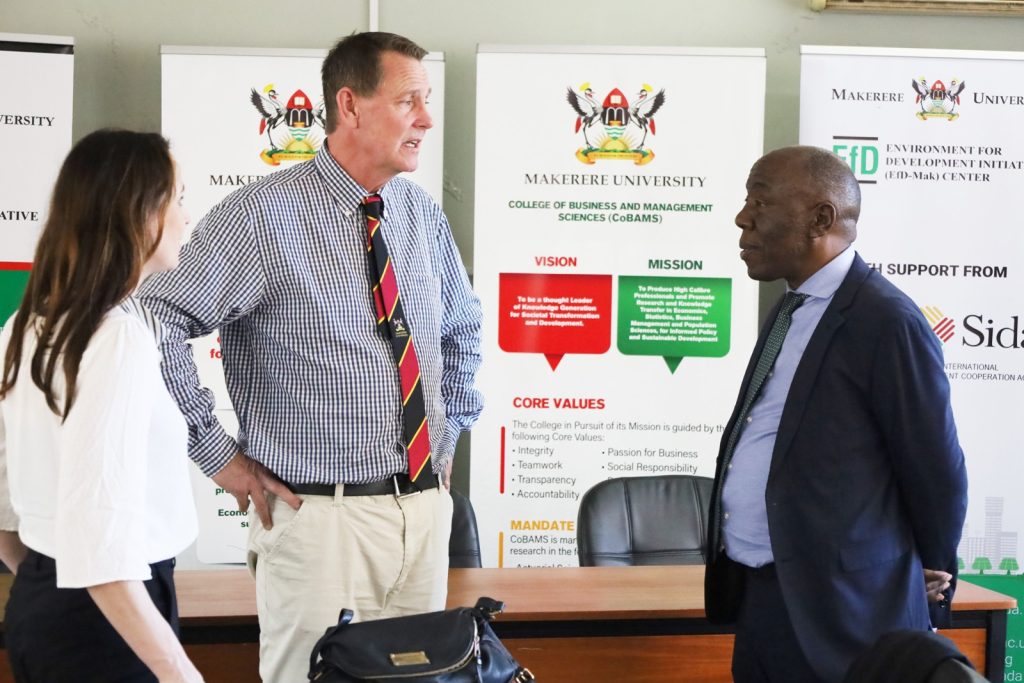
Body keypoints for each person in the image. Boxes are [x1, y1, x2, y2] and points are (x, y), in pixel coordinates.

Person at [137, 31, 483, 682]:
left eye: (427, 101)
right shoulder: (261, 218)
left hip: (422, 514)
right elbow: (155, 315)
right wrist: (219, 455)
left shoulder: (419, 215)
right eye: (409, 100)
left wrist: (449, 430)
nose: (427, 119)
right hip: (320, 522)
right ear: (349, 106)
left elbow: (462, 329)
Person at [704, 145, 968, 683]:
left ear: (820, 218)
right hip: (766, 600)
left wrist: (931, 571)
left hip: (846, 616)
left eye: (760, 200)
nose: (742, 217)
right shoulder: (789, 308)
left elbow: (935, 466)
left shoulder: (887, 321)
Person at [0, 129, 202, 682]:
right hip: (108, 618)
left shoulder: (24, 325)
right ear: (138, 212)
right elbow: (100, 542)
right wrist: (180, 673)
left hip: (44, 601)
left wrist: (53, 580)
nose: (187, 217)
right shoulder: (116, 337)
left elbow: (4, 505)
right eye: (178, 197)